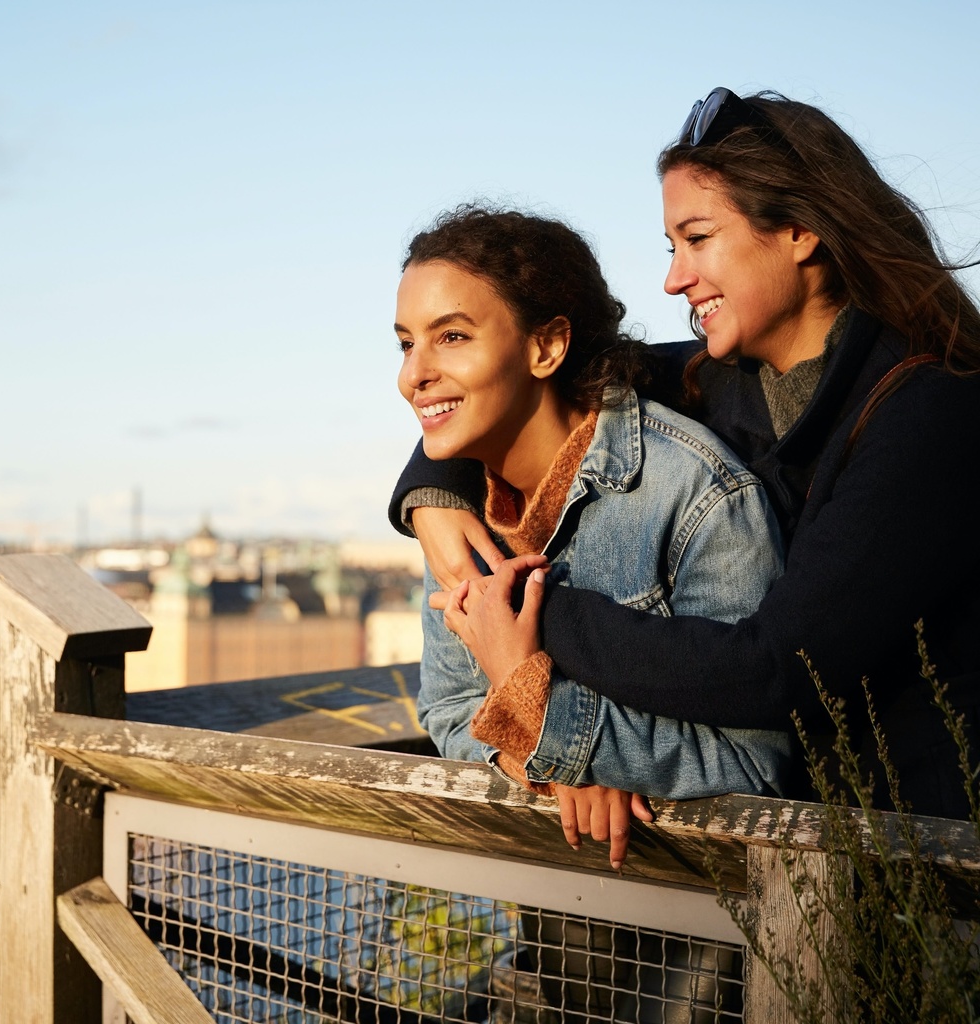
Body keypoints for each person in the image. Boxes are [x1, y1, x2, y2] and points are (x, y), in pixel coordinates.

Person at [393, 89, 980, 822]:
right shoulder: (719, 377)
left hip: (924, 863)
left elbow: (777, 668)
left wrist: (521, 618)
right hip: (792, 862)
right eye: (672, 248)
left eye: (697, 239)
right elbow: (524, 391)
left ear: (798, 229)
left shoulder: (931, 413)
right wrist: (434, 493)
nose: (674, 278)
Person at [396, 205, 793, 874]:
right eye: (407, 343)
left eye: (453, 337)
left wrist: (554, 723)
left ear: (545, 347)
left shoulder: (692, 492)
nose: (414, 375)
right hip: (564, 929)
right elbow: (449, 707)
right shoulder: (457, 515)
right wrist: (553, 765)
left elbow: (755, 759)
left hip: (719, 935)